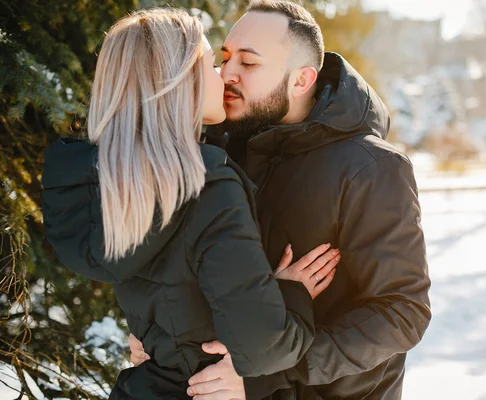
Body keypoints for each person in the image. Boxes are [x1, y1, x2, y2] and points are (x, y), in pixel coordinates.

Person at [41, 8, 341, 400]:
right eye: (213, 64)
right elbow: (264, 346)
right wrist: (291, 293)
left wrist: (159, 341)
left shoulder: (117, 182)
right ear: (179, 82)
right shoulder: (205, 184)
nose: (224, 76)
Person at [145, 1, 429, 399]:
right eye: (225, 58)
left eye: (249, 63)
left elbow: (402, 312)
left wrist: (271, 370)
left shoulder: (371, 168)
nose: (227, 74)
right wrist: (157, 331)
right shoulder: (223, 150)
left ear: (301, 80)